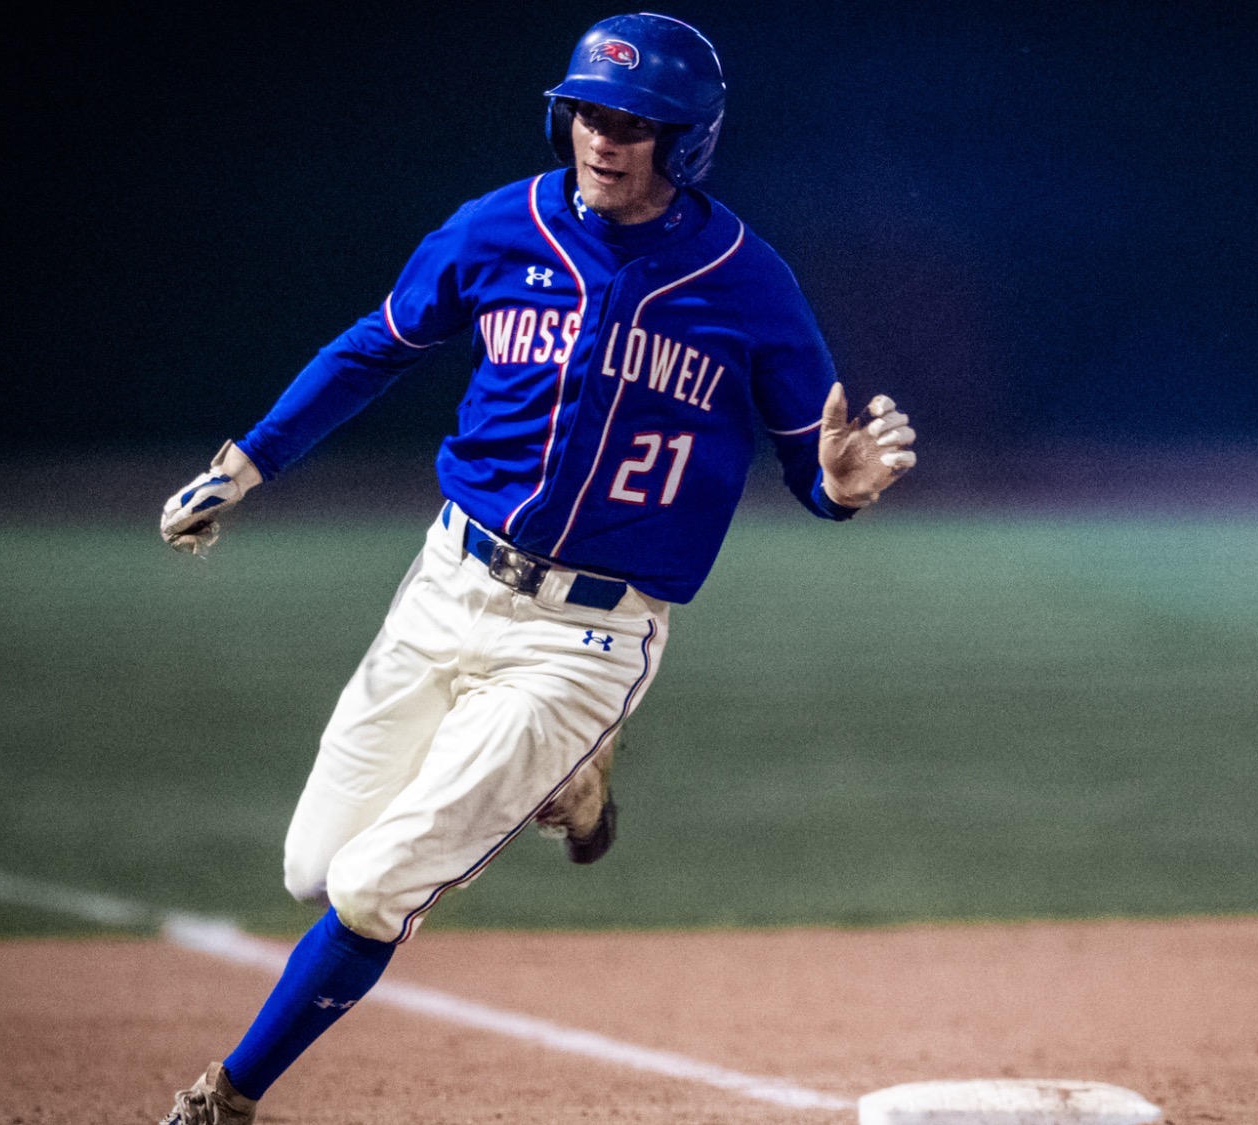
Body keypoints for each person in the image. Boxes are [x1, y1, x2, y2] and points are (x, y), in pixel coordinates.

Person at [152, 13, 916, 1124]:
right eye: (590, 114)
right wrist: (246, 463)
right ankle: (572, 775)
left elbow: (815, 460)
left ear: (685, 142)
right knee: (314, 871)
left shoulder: (745, 284)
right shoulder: (495, 230)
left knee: (373, 890)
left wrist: (837, 486)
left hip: (586, 637)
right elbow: (374, 348)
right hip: (446, 584)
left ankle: (226, 1096)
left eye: (635, 124)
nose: (604, 139)